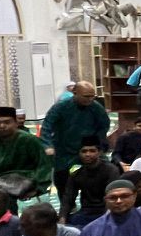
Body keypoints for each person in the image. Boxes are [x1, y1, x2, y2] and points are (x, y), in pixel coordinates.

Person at [40, 82, 110, 216]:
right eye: (86, 96)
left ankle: (99, 205)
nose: (90, 99)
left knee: (105, 171)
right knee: (61, 178)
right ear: (75, 93)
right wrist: (47, 145)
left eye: (92, 96)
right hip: (64, 149)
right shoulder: (61, 107)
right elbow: (47, 126)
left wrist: (99, 145)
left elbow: (104, 126)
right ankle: (68, 209)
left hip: (88, 147)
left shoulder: (96, 107)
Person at [62, 137, 123, 227]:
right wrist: (62, 219)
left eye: (92, 151)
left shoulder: (111, 170)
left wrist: (107, 220)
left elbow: (113, 196)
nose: (88, 154)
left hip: (106, 212)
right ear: (79, 153)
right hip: (85, 213)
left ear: (99, 152)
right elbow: (68, 198)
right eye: (84, 151)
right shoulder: (76, 174)